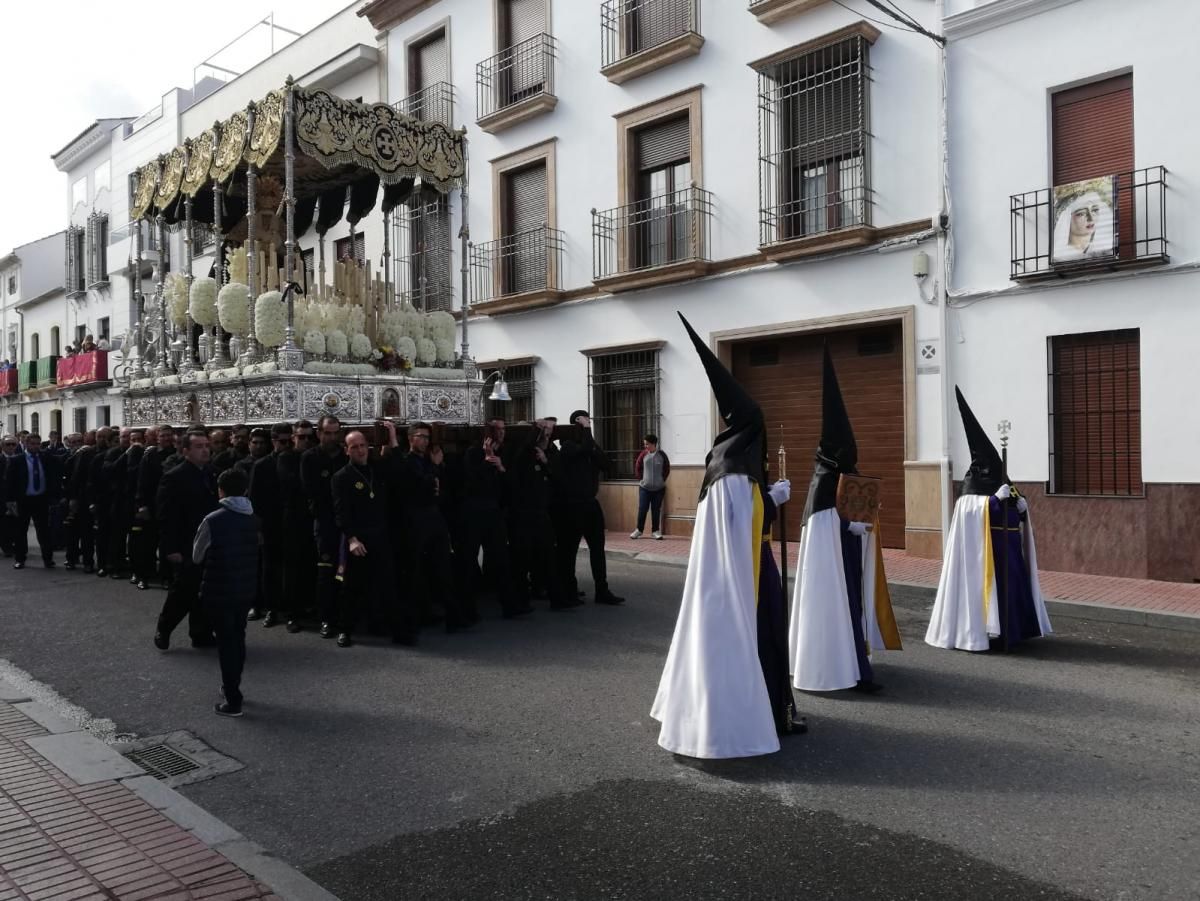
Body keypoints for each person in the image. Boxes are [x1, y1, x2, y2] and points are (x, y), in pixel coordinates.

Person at [652, 313, 800, 758]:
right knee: (756, 638)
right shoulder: (732, 473)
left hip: (753, 567)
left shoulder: (731, 465)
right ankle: (744, 721)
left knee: (771, 635)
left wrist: (767, 496)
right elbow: (737, 527)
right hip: (739, 577)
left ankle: (775, 707)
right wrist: (772, 499)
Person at [789, 347, 901, 694]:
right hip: (832, 566)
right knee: (836, 611)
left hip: (847, 558)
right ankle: (836, 668)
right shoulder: (823, 479)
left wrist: (865, 521)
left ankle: (853, 661)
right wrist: (847, 527)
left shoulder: (841, 472)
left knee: (851, 608)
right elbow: (823, 527)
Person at [925, 388, 1053, 652]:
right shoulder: (971, 487)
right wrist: (993, 500)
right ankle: (985, 632)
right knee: (995, 592)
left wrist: (1021, 507)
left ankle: (1014, 632)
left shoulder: (1002, 482)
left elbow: (1017, 507)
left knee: (1014, 591)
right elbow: (968, 514)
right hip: (987, 555)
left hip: (1010, 549)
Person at [382, 420, 459, 637]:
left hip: (433, 518)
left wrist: (435, 471)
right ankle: (411, 623)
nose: (424, 441)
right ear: (411, 438)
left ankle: (453, 615)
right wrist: (434, 469)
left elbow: (438, 489)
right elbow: (418, 484)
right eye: (420, 436)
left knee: (443, 567)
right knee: (414, 572)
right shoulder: (408, 461)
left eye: (427, 437)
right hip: (414, 522)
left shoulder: (426, 461)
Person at [193, 467, 260, 717]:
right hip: (245, 587)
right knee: (238, 637)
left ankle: (233, 698)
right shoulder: (253, 519)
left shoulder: (212, 520)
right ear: (245, 490)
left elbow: (197, 555)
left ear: (220, 490)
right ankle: (232, 686)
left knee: (225, 643)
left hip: (218, 588)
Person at [332, 430, 403, 647]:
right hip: (358, 539)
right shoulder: (341, 477)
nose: (360, 450)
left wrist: (392, 440)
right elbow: (341, 512)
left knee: (386, 584)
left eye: (363, 445)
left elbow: (399, 468)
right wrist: (352, 539)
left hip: (381, 535)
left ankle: (388, 626)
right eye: (354, 447)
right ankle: (345, 630)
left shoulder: (377, 469)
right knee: (351, 587)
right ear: (347, 451)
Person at [153, 428, 218, 650]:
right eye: (199, 446)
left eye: (207, 445)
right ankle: (164, 628)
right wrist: (170, 548)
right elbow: (166, 515)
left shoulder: (211, 473)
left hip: (208, 542)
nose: (205, 450)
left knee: (206, 591)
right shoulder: (174, 477)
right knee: (183, 591)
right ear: (185, 451)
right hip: (184, 543)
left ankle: (200, 633)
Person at [553, 410, 625, 606]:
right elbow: (582, 450)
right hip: (572, 505)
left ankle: (602, 590)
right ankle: (568, 590)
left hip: (590, 504)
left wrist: (593, 444)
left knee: (597, 549)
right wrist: (587, 433)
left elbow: (606, 465)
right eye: (584, 423)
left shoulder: (589, 447)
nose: (587, 426)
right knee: (569, 550)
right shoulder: (567, 447)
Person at [505, 418, 570, 609]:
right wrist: (536, 429)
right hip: (522, 514)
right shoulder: (519, 454)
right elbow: (521, 457)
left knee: (550, 557)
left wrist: (545, 462)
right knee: (521, 559)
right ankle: (521, 601)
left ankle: (557, 599)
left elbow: (557, 480)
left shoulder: (544, 455)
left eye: (549, 436)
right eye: (543, 435)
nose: (546, 439)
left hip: (541, 514)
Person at [301, 415, 347, 638]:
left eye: (335, 433)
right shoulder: (310, 458)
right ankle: (326, 619)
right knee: (326, 571)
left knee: (347, 570)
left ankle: (346, 616)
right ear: (319, 433)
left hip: (346, 522)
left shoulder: (344, 456)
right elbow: (313, 492)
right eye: (326, 433)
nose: (331, 437)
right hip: (326, 522)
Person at [6, 432, 60, 569]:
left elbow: (53, 475)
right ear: (26, 444)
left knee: (44, 531)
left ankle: (48, 559)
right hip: (23, 500)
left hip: (41, 500)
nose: (36, 447)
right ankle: (20, 559)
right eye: (32, 444)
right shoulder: (16, 460)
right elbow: (9, 482)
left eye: (38, 444)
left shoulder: (45, 457)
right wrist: (10, 500)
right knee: (20, 531)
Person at [133, 426, 176, 589]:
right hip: (151, 504)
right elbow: (142, 481)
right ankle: (144, 577)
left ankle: (166, 577)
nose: (166, 438)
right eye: (163, 435)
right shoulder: (150, 455)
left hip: (169, 505)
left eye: (168, 435)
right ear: (157, 438)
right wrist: (141, 505)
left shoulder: (177, 454)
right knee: (147, 543)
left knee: (166, 543)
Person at [1052, 189, 1115, 263]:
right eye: (1081, 213)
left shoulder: (1104, 251)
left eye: (1094, 210)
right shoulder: (1060, 256)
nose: (1091, 218)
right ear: (1066, 219)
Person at [631, 434, 670, 540]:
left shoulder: (662, 455)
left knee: (656, 510)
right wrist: (641, 479)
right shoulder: (643, 454)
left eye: (647, 444)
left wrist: (661, 480)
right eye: (645, 444)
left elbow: (667, 468)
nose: (645, 446)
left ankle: (655, 531)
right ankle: (639, 530)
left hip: (659, 489)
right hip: (645, 489)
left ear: (653, 444)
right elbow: (637, 466)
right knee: (643, 508)